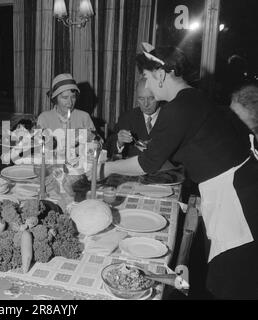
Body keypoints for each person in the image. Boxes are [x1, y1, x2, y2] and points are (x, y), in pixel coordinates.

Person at [93, 46, 258, 299]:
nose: (146, 83)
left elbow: (147, 164)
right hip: (237, 188)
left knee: (231, 282)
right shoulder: (193, 98)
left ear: (161, 74)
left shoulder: (178, 108)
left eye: (147, 76)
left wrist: (103, 168)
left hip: (234, 198)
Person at [105, 78, 162, 158]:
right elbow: (108, 149)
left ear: (159, 96)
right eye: (141, 99)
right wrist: (119, 143)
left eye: (151, 98)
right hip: (132, 169)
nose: (146, 104)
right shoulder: (127, 118)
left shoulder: (169, 116)